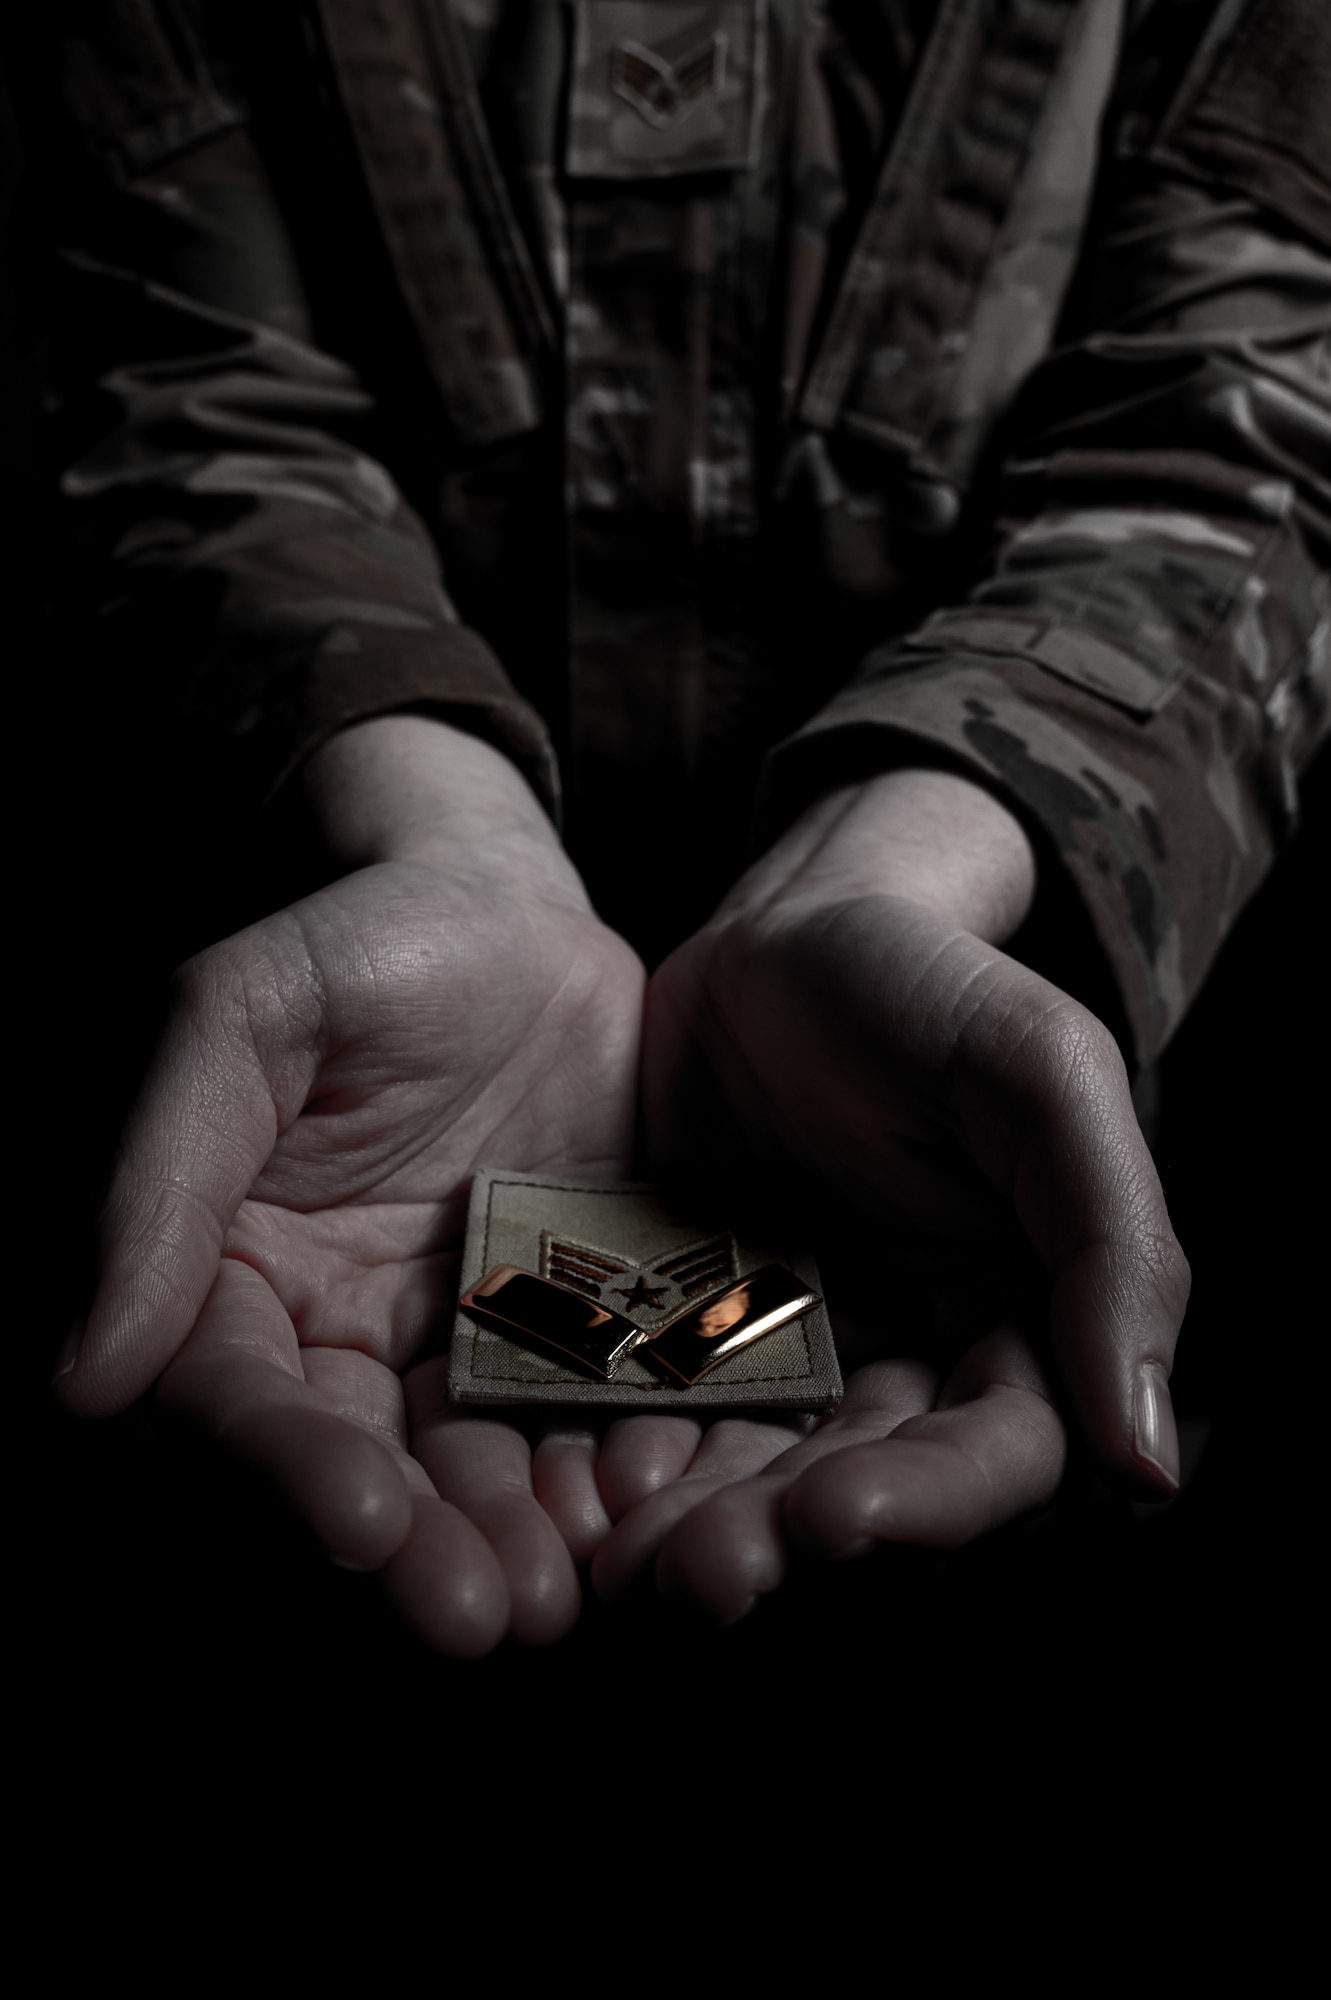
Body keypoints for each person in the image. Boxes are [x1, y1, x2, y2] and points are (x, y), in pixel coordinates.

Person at [28, 0, 1330, 1656]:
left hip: (986, 1187)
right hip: (312, 1148)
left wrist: (913, 851)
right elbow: (186, 391)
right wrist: (437, 819)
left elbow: (1240, 433)